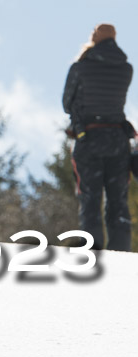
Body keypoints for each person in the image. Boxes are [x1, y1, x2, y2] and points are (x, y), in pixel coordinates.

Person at [62, 23, 134, 251]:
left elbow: (66, 104)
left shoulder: (80, 68)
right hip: (118, 140)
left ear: (94, 38)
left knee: (90, 198)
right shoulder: (127, 69)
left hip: (89, 138)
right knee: (117, 201)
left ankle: (92, 250)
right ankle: (121, 250)